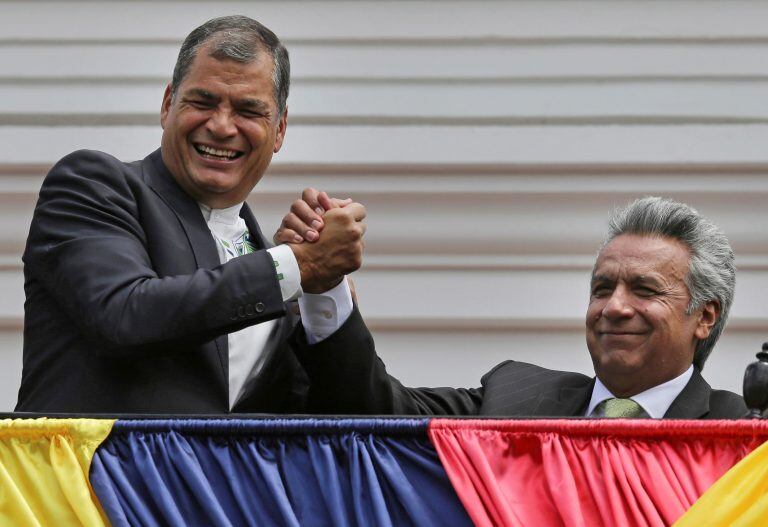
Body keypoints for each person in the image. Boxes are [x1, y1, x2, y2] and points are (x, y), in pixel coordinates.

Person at [15, 16, 366, 413]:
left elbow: (347, 414)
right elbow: (124, 316)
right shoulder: (93, 185)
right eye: (202, 102)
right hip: (94, 475)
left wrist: (324, 288)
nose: (220, 126)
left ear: (280, 129)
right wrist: (296, 266)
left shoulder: (271, 269)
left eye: (248, 111)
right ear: (168, 105)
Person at [281, 195, 747, 418]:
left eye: (644, 290)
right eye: (602, 289)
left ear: (704, 316)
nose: (613, 307)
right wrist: (325, 286)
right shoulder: (514, 398)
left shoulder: (743, 437)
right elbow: (373, 412)